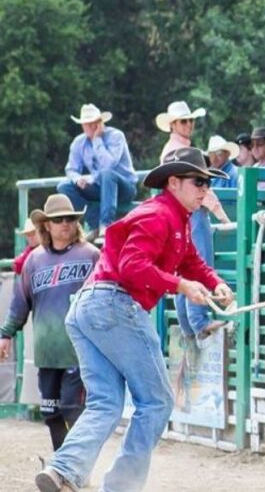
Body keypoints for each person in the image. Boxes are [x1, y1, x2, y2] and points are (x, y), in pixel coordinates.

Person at [35, 147, 234, 492]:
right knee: (157, 401)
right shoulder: (160, 216)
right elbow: (132, 266)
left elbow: (188, 261)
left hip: (89, 307)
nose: (205, 188)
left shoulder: (174, 220)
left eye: (207, 182)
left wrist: (214, 281)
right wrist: (181, 285)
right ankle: (121, 487)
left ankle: (62, 469)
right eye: (198, 181)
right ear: (174, 182)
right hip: (115, 304)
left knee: (106, 401)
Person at [0, 194, 99, 455]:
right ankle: (62, 463)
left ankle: (76, 465)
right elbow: (21, 301)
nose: (65, 223)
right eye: (58, 219)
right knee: (50, 411)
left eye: (69, 219)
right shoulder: (34, 260)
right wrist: (6, 334)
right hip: (47, 351)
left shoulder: (91, 255)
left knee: (72, 408)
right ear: (47, 225)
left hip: (79, 350)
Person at [157, 102, 230, 340]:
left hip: (180, 210)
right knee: (199, 259)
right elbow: (201, 188)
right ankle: (199, 321)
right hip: (192, 210)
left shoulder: (172, 150)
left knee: (183, 264)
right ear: (173, 125)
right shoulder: (182, 153)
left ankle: (189, 324)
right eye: (183, 121)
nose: (188, 125)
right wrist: (222, 215)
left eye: (190, 121)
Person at [57, 104, 138, 241]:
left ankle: (106, 225)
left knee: (107, 174)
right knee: (64, 186)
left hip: (124, 188)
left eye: (93, 123)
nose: (90, 127)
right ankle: (95, 225)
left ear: (100, 123)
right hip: (100, 187)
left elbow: (108, 164)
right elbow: (71, 169)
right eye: (86, 124)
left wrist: (97, 140)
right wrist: (78, 179)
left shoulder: (116, 136)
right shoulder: (79, 142)